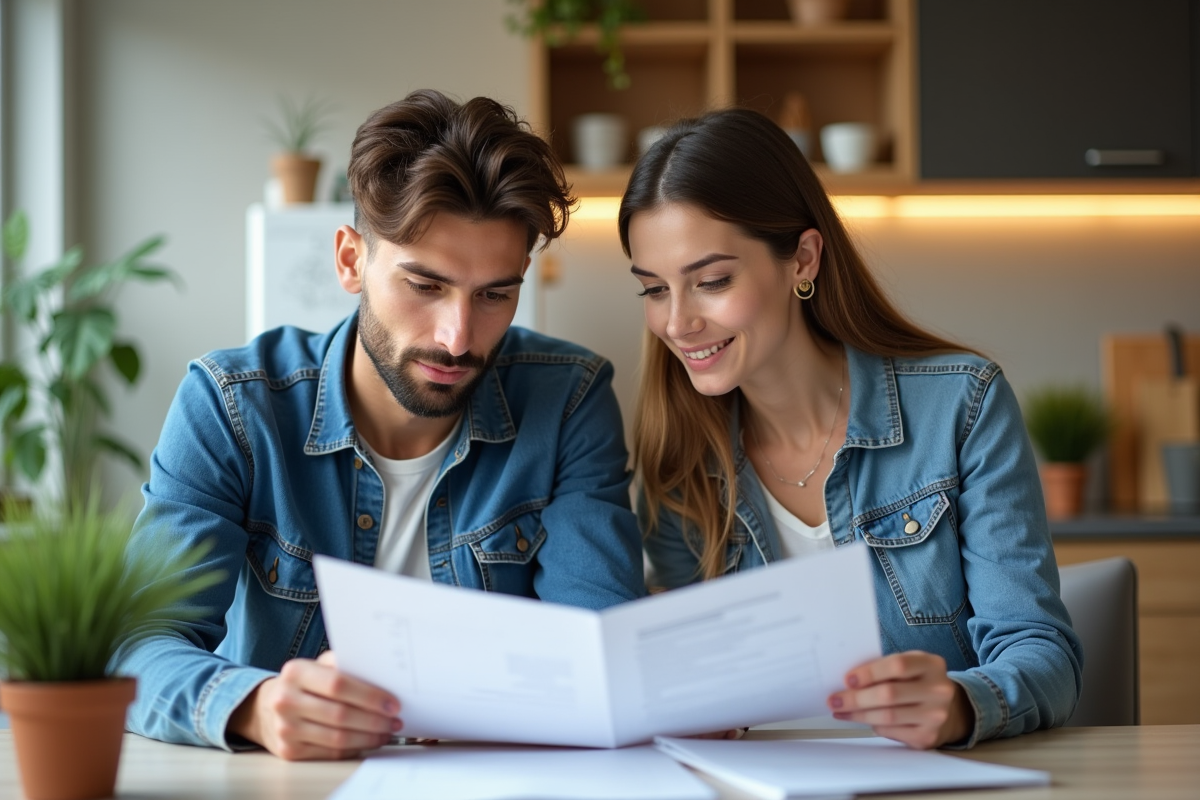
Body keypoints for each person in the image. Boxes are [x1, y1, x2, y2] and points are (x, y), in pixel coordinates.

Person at [115, 90, 645, 760]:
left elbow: (599, 650)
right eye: (425, 286)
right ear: (349, 261)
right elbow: (136, 646)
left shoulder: (569, 399)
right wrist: (255, 706)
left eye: (494, 295)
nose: (457, 338)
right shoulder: (232, 406)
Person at [620, 108, 1083, 750]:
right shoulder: (678, 460)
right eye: (653, 290)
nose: (677, 323)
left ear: (802, 260)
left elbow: (1043, 655)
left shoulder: (961, 406)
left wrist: (959, 704)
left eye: (712, 282)